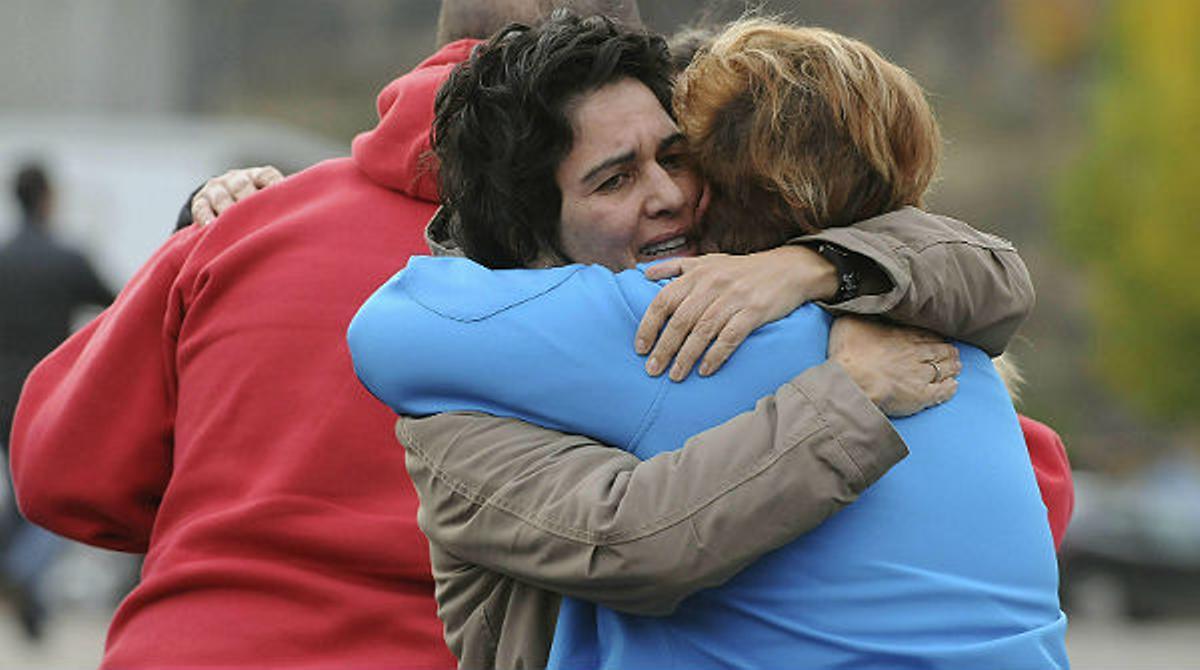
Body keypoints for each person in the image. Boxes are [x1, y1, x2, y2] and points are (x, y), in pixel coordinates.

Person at [5, 2, 983, 667]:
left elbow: (58, 472)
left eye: (672, 156)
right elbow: (989, 483)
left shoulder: (247, 225)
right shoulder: (671, 291)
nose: (664, 190)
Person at [348, 13, 1067, 669]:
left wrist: (812, 266)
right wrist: (847, 395)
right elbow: (631, 541)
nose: (668, 195)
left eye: (675, 157)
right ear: (529, 234)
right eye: (615, 181)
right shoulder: (499, 384)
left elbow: (990, 271)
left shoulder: (793, 302)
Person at [0, 162, 114, 641]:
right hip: (43, 399)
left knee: (18, 502)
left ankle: (31, 611)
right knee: (51, 502)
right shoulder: (67, 258)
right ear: (47, 198)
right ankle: (18, 570)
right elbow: (122, 305)